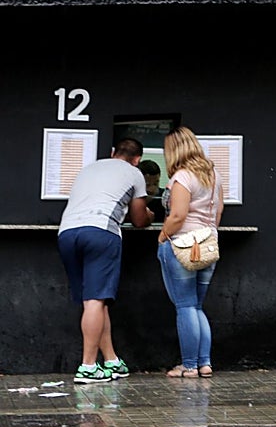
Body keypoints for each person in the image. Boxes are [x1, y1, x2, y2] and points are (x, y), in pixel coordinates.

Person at [57, 138, 150, 384]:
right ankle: (88, 366)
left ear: (112, 153)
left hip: (67, 234)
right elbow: (139, 219)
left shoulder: (89, 168)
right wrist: (150, 214)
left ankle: (111, 361)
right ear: (137, 159)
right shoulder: (134, 173)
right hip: (101, 232)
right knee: (96, 300)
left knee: (95, 302)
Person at [157, 126, 224, 378]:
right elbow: (218, 213)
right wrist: (205, 233)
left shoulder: (182, 177)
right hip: (208, 244)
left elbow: (177, 215)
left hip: (182, 246)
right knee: (196, 306)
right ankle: (204, 363)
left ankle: (188, 365)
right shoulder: (213, 174)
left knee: (185, 306)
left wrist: (162, 236)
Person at [140, 159, 166, 223]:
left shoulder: (164, 198)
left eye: (155, 184)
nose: (152, 189)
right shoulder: (130, 199)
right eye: (147, 184)